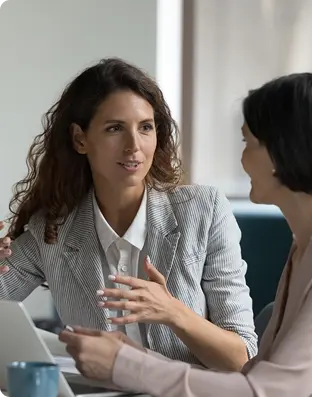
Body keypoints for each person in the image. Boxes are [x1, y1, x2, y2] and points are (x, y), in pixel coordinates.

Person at [60, 72, 312, 397]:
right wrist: (135, 356)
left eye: (248, 142)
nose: (242, 158)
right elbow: (254, 376)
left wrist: (124, 365)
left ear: (281, 151)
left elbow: (268, 390)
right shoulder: (306, 248)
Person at [0, 57, 257, 370]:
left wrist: (172, 312)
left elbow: (242, 359)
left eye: (145, 128)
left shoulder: (204, 210)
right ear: (80, 139)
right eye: (115, 129)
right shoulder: (52, 230)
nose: (134, 146)